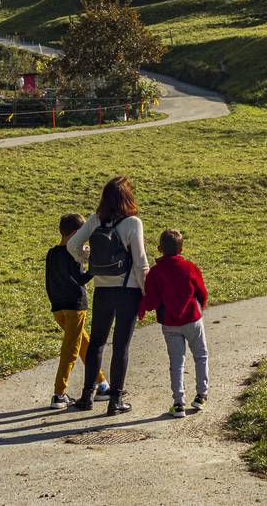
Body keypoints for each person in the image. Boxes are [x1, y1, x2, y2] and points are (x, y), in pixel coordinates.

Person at [65, 175, 149, 415]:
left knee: (97, 344)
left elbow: (73, 246)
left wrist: (87, 258)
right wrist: (146, 291)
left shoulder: (95, 220)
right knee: (121, 345)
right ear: (127, 197)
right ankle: (115, 400)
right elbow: (141, 263)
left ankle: (86, 396)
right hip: (127, 290)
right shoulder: (133, 223)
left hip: (102, 289)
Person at [140, 228, 210, 416]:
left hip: (170, 323)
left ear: (159, 248)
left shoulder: (155, 273)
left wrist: (142, 308)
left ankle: (178, 402)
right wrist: (200, 307)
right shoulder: (190, 267)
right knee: (200, 356)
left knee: (177, 362)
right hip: (192, 318)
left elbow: (152, 301)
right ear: (181, 249)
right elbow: (201, 292)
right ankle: (201, 395)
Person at [44, 213, 110, 407]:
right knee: (71, 350)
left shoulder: (52, 253)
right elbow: (80, 280)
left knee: (83, 344)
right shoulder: (73, 255)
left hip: (58, 308)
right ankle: (59, 393)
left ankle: (102, 383)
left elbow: (50, 281)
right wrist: (92, 266)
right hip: (75, 306)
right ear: (75, 234)